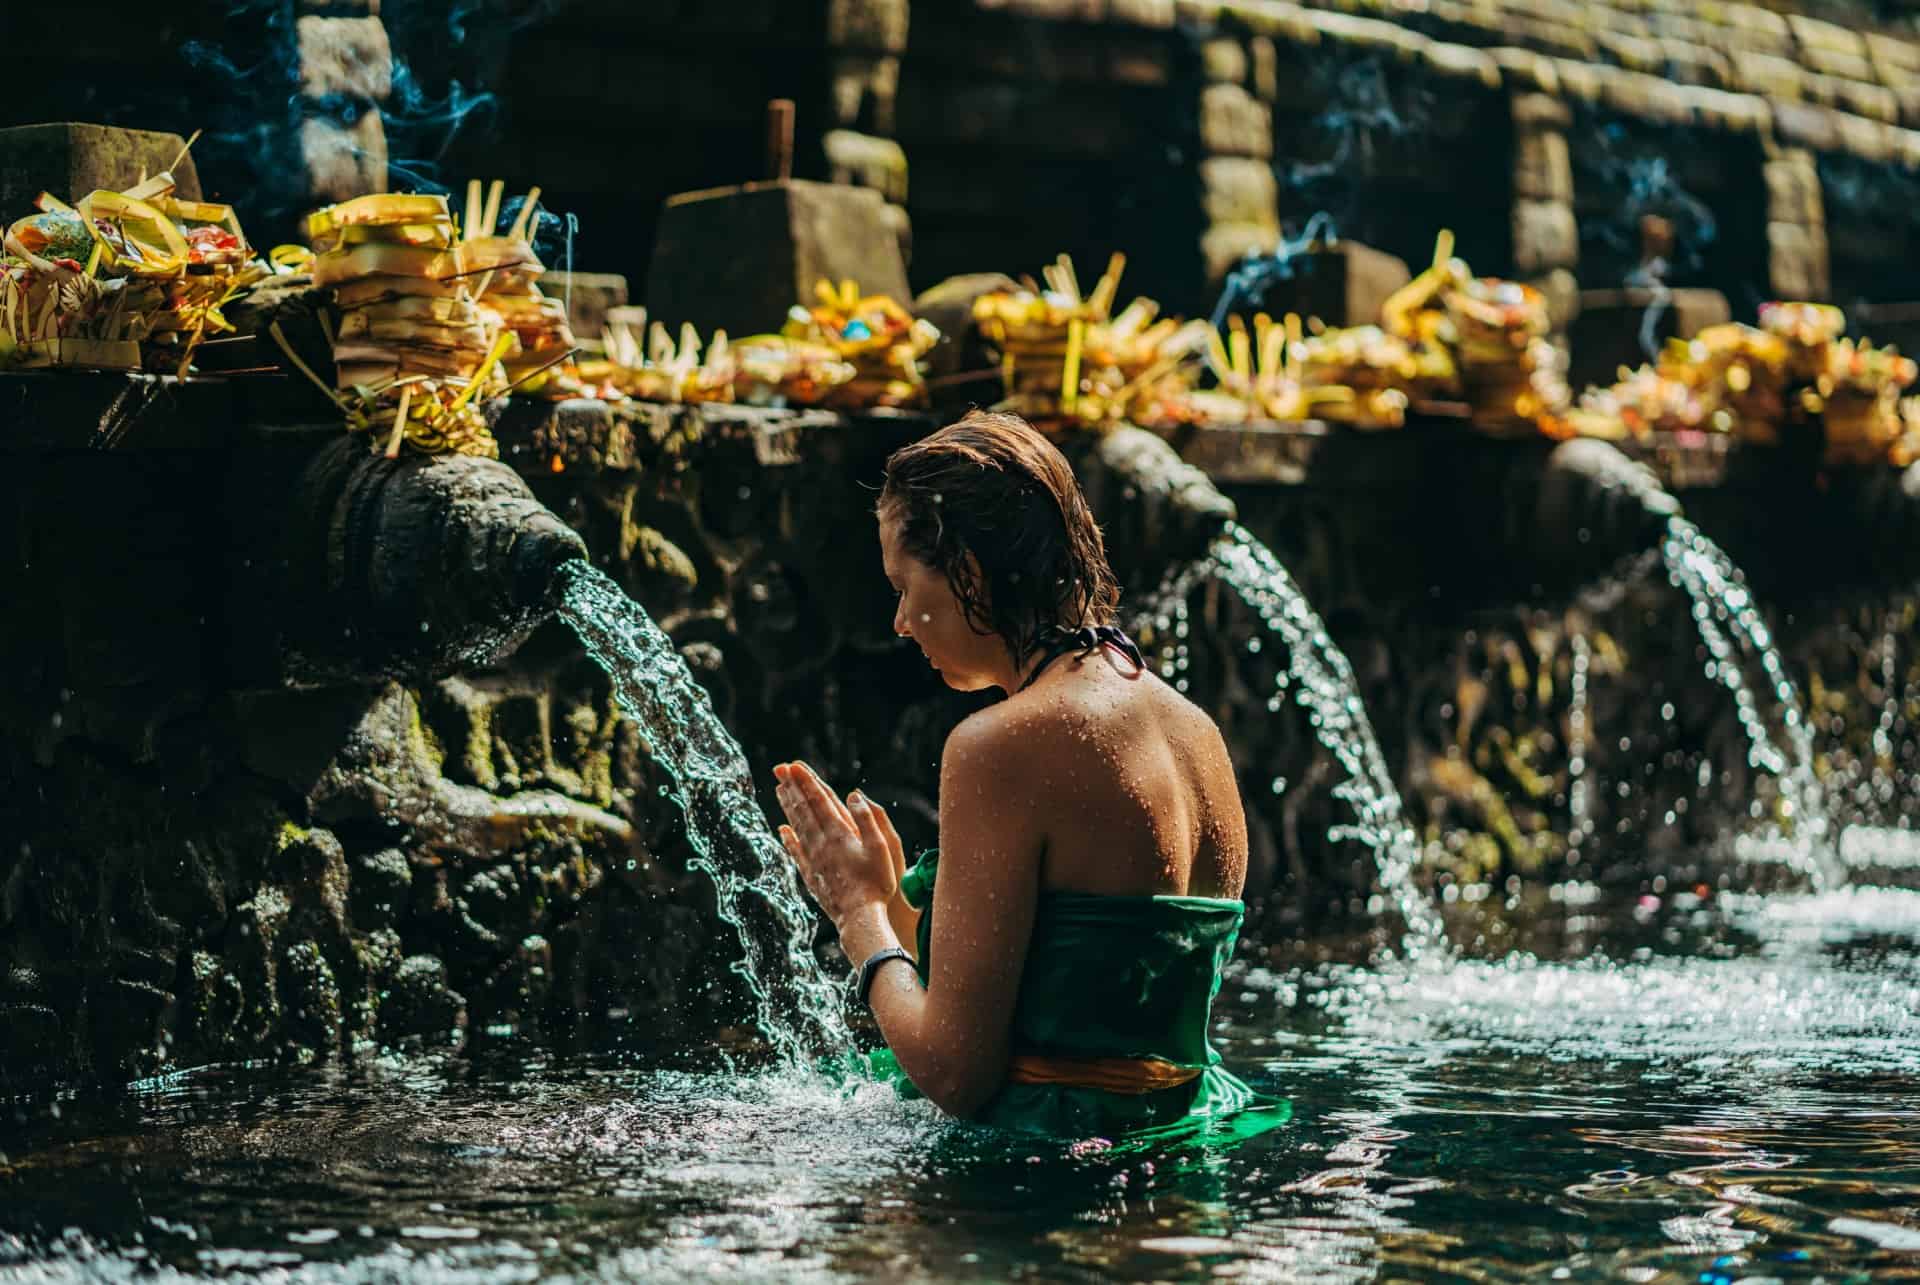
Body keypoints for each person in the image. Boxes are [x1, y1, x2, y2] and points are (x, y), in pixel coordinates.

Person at [773, 410, 1286, 1140]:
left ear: (968, 574)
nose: (899, 621)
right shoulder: (1195, 732)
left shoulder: (998, 745)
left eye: (902, 585)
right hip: (1182, 1153)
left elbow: (955, 1071)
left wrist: (856, 917)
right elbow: (1071, 994)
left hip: (1046, 1183)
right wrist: (893, 904)